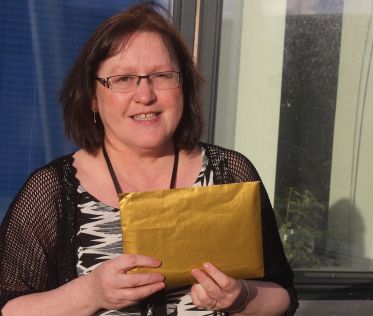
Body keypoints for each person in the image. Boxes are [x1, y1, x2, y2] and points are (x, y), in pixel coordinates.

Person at [0, 3, 298, 316]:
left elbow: (282, 296)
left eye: (161, 75)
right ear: (91, 96)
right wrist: (91, 292)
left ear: (183, 86)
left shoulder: (229, 172)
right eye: (124, 79)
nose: (145, 95)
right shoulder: (54, 189)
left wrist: (241, 296)